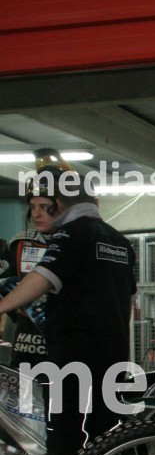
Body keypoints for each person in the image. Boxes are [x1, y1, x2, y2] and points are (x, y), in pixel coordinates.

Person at [0, 163, 137, 455]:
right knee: (106, 437)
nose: (39, 212)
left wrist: (2, 305)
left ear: (59, 204)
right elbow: (128, 304)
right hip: (113, 358)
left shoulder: (72, 232)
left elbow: (42, 278)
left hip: (73, 359)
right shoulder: (119, 241)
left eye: (46, 205)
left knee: (67, 438)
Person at [0, 150, 64, 367]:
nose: (37, 214)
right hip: (23, 342)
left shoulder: (76, 241)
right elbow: (5, 282)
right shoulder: (19, 243)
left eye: (45, 207)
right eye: (33, 207)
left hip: (64, 343)